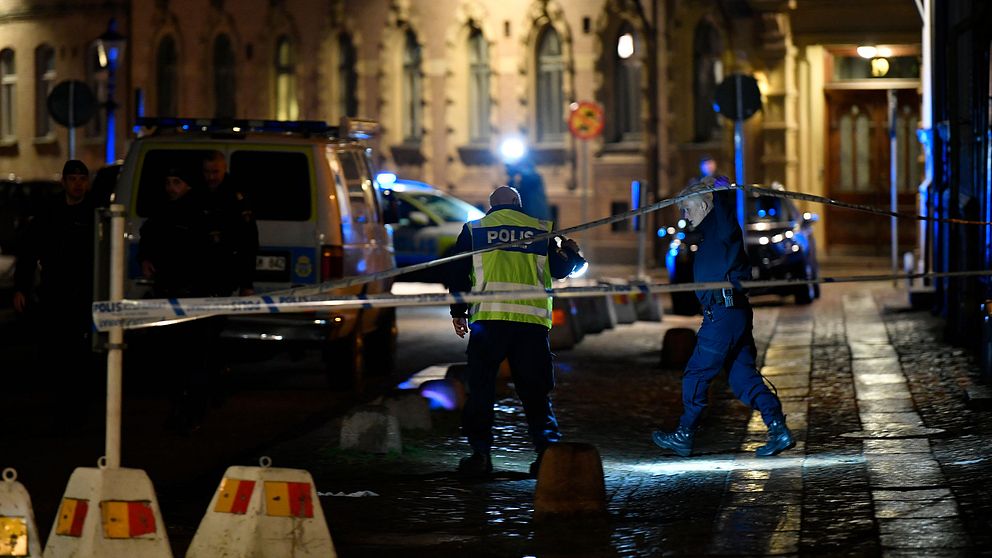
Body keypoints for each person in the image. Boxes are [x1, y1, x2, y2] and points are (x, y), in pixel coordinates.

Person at [652, 176, 795, 458]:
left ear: (706, 206)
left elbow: (726, 212)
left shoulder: (720, 226)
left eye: (688, 208)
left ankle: (684, 434)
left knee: (697, 373)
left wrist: (721, 192)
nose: (684, 214)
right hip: (732, 314)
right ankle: (778, 429)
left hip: (723, 315)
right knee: (743, 379)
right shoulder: (708, 234)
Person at [448, 185, 585, 476]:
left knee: (481, 388)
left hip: (489, 323)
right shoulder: (539, 229)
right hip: (530, 325)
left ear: (492, 206)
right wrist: (572, 252)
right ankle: (546, 454)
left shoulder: (475, 229)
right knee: (536, 391)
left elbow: (458, 271)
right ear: (517, 204)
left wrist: (457, 312)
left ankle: (480, 456)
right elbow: (561, 271)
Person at [13, 160, 98, 429]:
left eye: (81, 178)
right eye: (72, 178)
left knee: (81, 354)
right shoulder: (50, 213)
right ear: (64, 182)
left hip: (84, 292)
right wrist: (21, 287)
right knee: (58, 353)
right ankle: (63, 410)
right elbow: (29, 251)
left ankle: (78, 411)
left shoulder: (95, 212)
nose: (77, 184)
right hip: (56, 292)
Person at [138, 166, 213, 433]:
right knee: (171, 358)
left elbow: (211, 253)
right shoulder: (163, 212)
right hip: (168, 292)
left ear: (188, 186)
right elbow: (147, 238)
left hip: (194, 295)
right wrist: (145, 258)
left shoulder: (201, 212)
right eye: (168, 182)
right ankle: (177, 408)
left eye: (177, 182)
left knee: (194, 357)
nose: (171, 188)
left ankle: (192, 411)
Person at [201, 150, 257, 297]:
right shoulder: (196, 192)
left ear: (224, 169)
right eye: (207, 172)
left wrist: (247, 284)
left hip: (224, 269)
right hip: (198, 271)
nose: (211, 177)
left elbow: (248, 241)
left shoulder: (237, 197)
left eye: (215, 172)